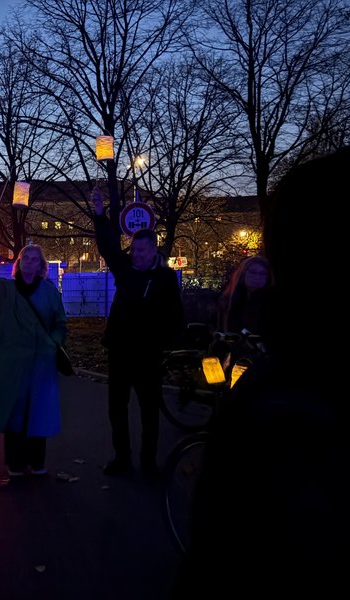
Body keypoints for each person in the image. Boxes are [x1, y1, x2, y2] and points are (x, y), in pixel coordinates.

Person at [172, 148, 346, 599]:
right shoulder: (236, 298)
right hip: (233, 352)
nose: (255, 279)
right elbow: (223, 321)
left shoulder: (274, 405)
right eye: (250, 274)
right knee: (220, 383)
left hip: (256, 362)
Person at [92, 190, 184, 476]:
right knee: (117, 408)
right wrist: (100, 216)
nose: (137, 255)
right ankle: (122, 457)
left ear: (154, 250)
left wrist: (168, 344)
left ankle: (148, 461)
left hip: (149, 354)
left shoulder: (165, 278)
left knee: (149, 410)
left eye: (142, 251)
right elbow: (108, 248)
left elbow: (175, 314)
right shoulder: (126, 270)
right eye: (134, 250)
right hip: (120, 350)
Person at [0, 235, 67, 477]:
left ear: (41, 266)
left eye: (35, 259)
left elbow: (60, 323)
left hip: (40, 363)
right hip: (12, 363)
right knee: (14, 413)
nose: (30, 262)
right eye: (26, 258)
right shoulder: (6, 290)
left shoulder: (49, 292)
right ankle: (15, 462)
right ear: (20, 262)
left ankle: (36, 461)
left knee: (38, 412)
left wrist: (53, 344)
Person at [215, 254, 272, 336]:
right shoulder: (227, 299)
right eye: (253, 272)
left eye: (263, 273)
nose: (257, 277)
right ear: (243, 273)